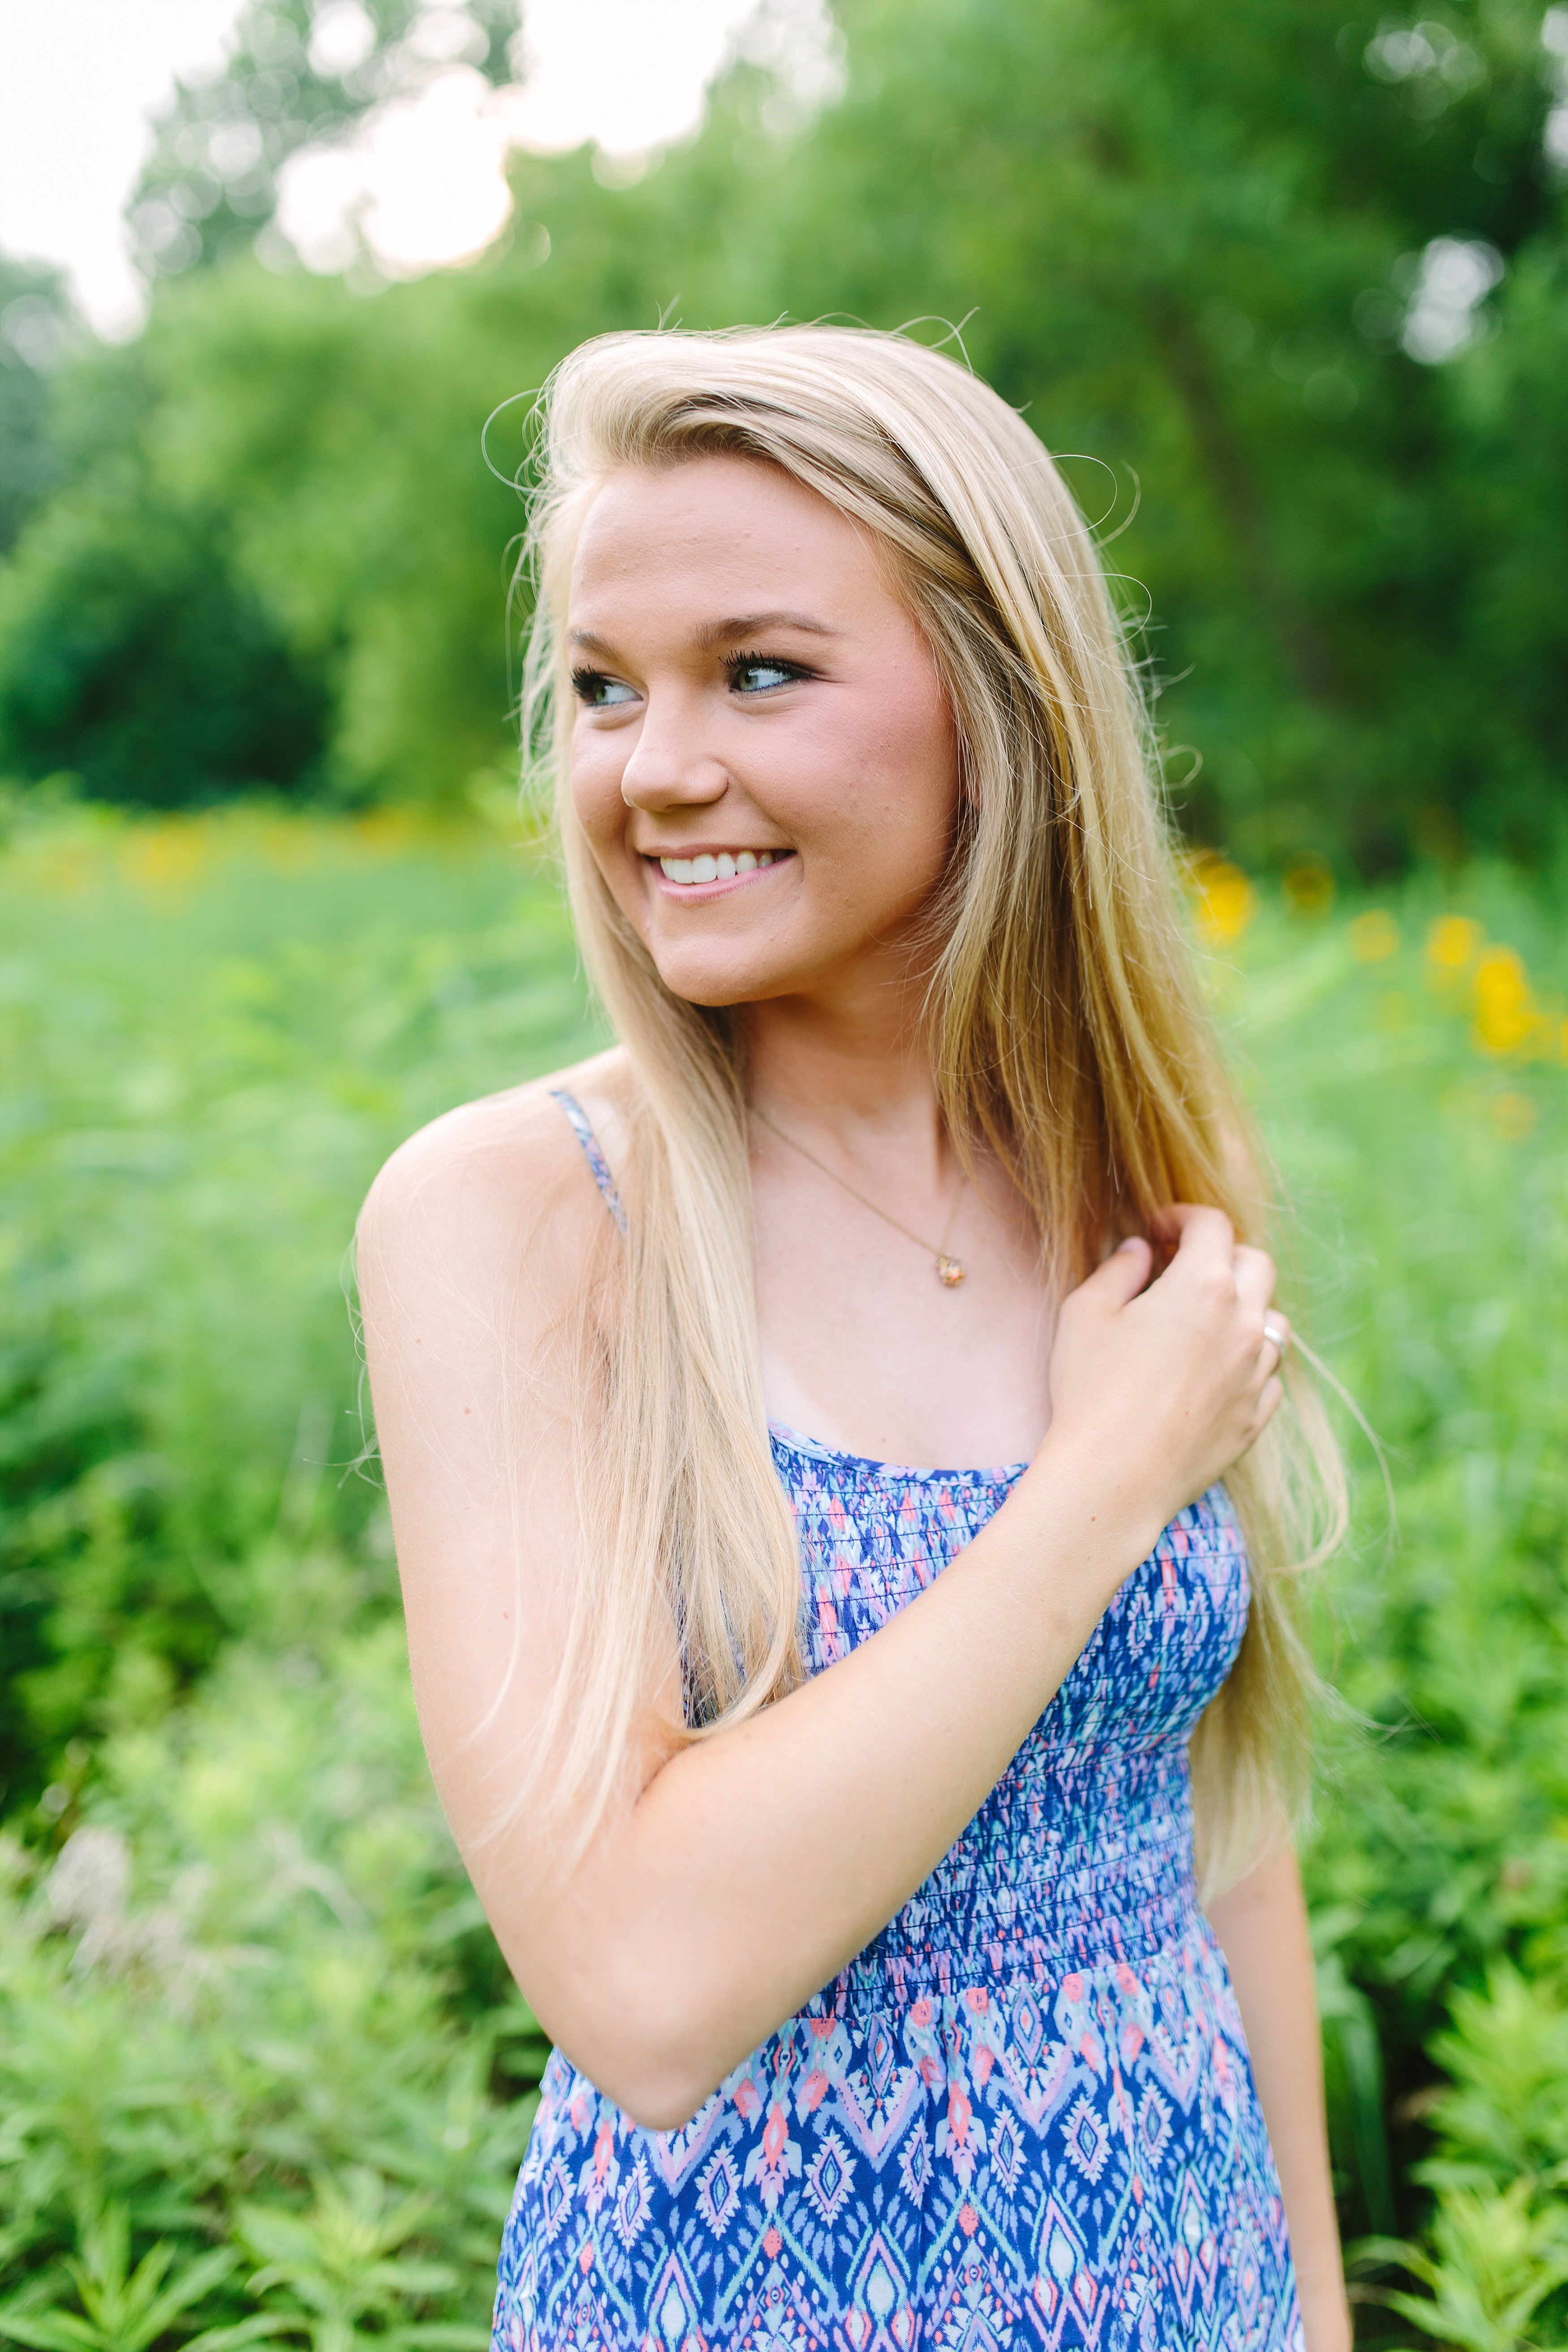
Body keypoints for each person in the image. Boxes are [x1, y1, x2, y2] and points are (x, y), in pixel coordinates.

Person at [358, 325, 1352, 2352]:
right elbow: (638, 1985)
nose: (651, 770)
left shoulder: (1138, 1162)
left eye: (760, 670)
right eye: (603, 688)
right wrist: (1094, 1485)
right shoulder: (523, 1217)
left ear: (996, 700)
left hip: (1186, 2291)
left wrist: (1314, 2313)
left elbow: (1213, 1836)